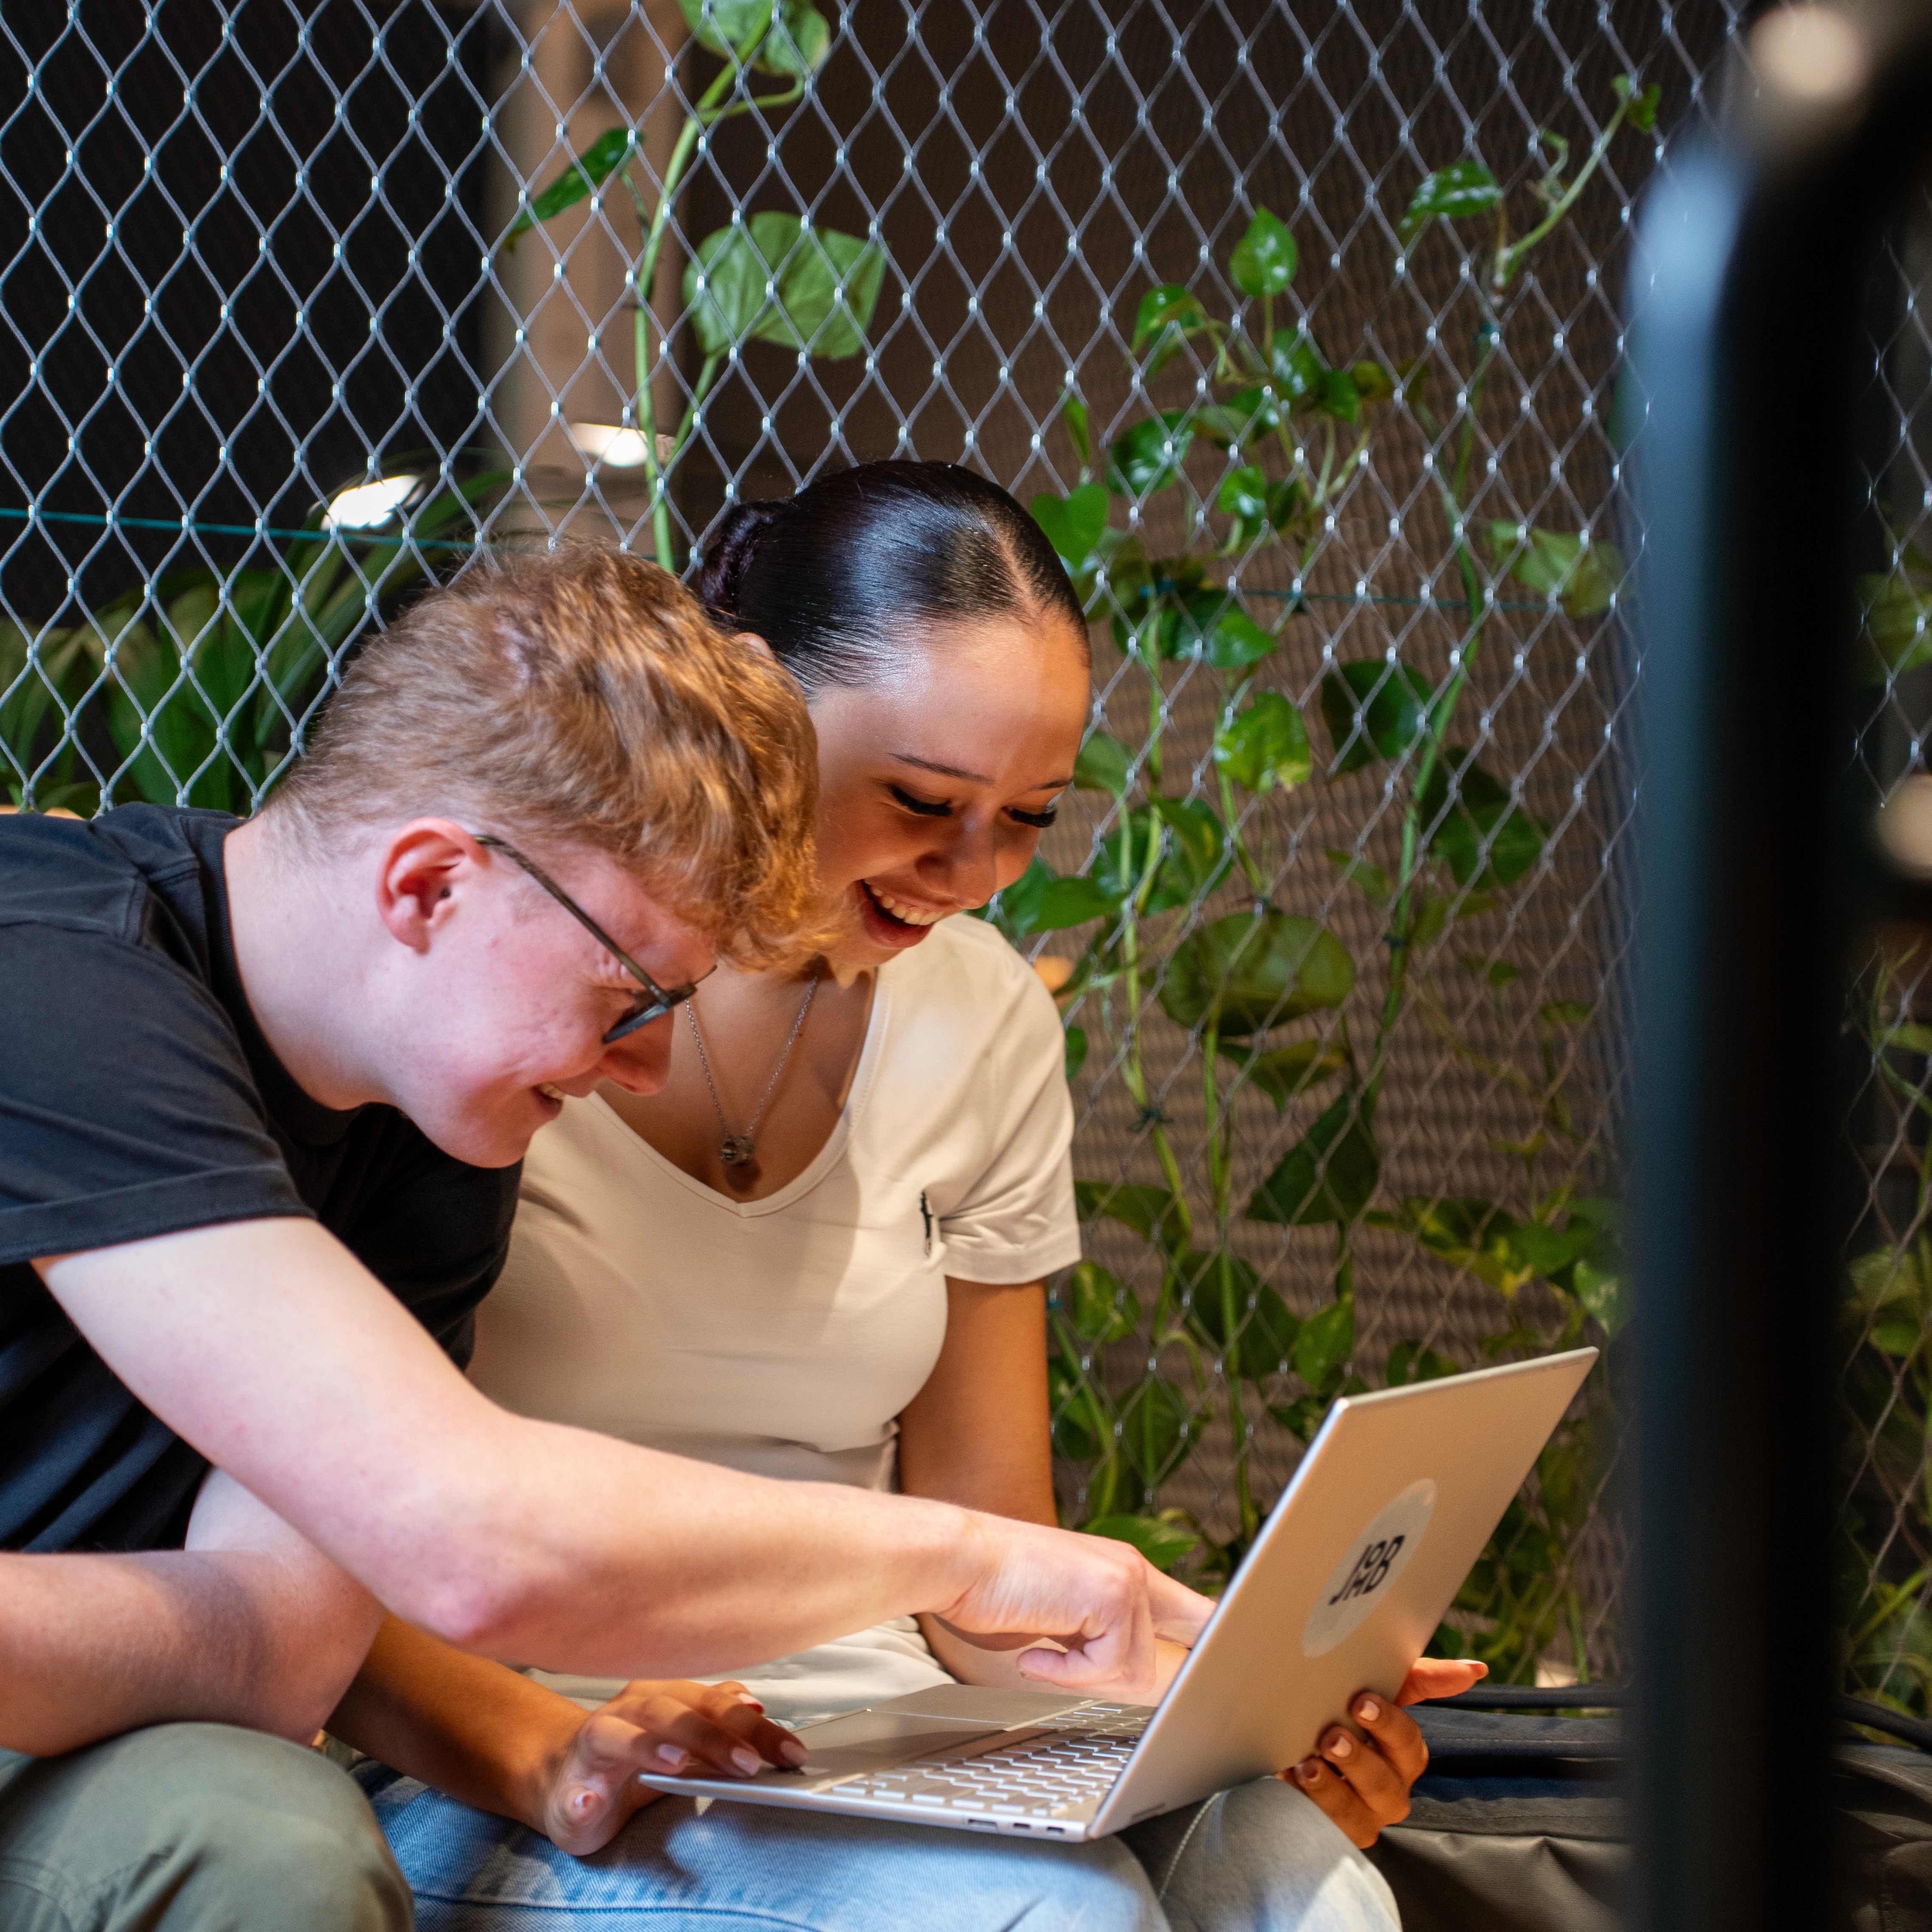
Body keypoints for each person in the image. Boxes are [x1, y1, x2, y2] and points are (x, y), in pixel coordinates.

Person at [326, 465, 1484, 1931]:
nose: (971, 873)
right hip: (535, 1743)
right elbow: (333, 1549)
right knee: (1060, 1922)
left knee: (1296, 1887)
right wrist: (549, 1741)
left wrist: (1237, 1707)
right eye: (922, 799)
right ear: (740, 703)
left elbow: (985, 1568)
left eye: (1030, 821)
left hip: (889, 1732)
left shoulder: (985, 1015)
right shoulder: (497, 990)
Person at [0, 544, 1210, 1930]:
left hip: (91, 1736)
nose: (641, 1073)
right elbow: (470, 1539)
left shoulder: (426, 1127)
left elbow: (276, 1653)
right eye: (631, 1001)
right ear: (428, 887)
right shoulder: (54, 979)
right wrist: (975, 1558)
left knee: (260, 1824)